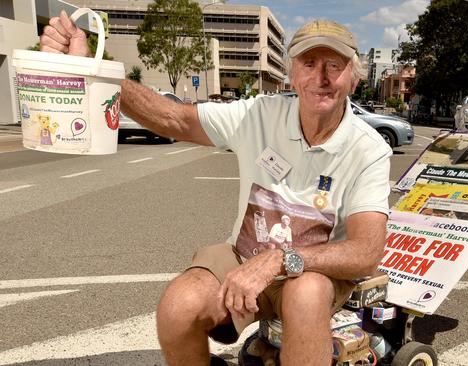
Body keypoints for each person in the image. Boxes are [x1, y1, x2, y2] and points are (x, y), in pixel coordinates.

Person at [40, 12, 392, 366]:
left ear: (354, 76)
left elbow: (366, 250)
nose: (321, 77)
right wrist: (91, 67)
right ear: (291, 73)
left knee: (305, 292)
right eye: (309, 63)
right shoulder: (258, 114)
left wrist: (280, 259)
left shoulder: (369, 148)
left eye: (334, 64)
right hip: (243, 256)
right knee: (179, 307)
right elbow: (175, 118)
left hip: (313, 272)